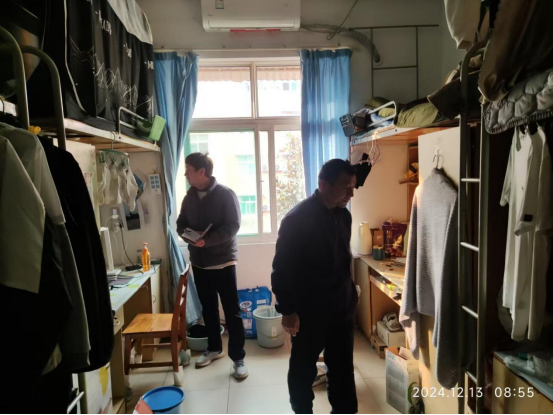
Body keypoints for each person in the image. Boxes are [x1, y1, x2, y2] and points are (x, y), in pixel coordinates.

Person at [272, 159, 359, 414]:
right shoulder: (297, 219)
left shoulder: (344, 216)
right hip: (309, 312)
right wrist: (287, 310)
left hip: (341, 309)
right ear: (323, 184)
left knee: (342, 369)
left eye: (353, 187)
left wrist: (350, 298)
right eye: (345, 187)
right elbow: (282, 269)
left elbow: (342, 262)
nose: (351, 194)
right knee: (302, 369)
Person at [176, 153, 248, 379]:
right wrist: (189, 236)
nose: (185, 174)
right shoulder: (189, 197)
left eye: (189, 170)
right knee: (208, 310)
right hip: (199, 263)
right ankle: (215, 348)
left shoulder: (225, 194)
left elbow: (233, 225)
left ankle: (238, 358)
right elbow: (180, 224)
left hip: (223, 262)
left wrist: (207, 240)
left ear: (202, 172)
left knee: (232, 312)